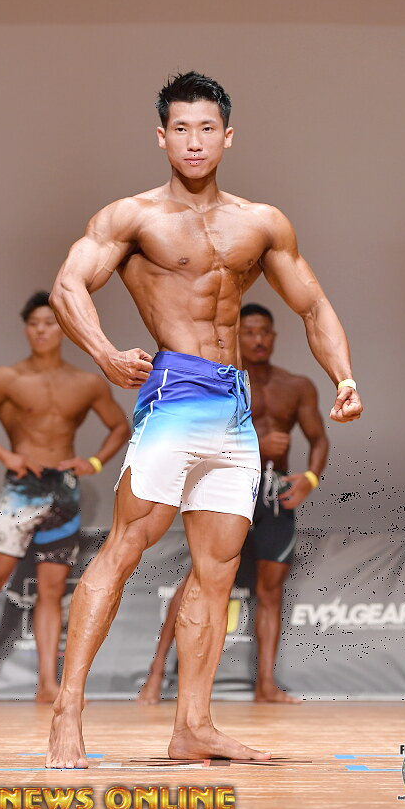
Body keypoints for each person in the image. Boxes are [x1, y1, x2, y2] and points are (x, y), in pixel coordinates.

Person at [46, 71, 362, 767]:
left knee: (216, 572)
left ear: (228, 136)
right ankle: (68, 711)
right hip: (176, 394)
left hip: (233, 408)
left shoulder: (262, 222)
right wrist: (104, 353)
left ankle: (193, 725)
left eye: (207, 128)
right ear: (162, 138)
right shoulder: (132, 218)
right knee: (126, 546)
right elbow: (69, 284)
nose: (194, 141)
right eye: (181, 129)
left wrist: (343, 375)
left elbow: (312, 305)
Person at [0, 291, 130, 705]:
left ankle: (47, 683)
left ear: (63, 329)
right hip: (22, 489)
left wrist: (95, 462)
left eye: (50, 322)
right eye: (34, 323)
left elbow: (120, 425)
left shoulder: (86, 383)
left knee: (52, 589)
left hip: (64, 490)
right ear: (26, 329)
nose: (42, 330)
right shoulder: (6, 378)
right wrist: (5, 454)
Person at [137, 302, 329, 705]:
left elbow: (319, 439)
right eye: (250, 332)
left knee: (270, 591)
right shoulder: (220, 383)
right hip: (228, 486)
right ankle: (154, 677)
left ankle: (265, 685)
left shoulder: (297, 386)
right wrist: (258, 442)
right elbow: (200, 436)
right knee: (199, 579)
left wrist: (310, 477)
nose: (258, 340)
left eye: (264, 332)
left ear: (273, 337)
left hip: (274, 495)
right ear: (237, 336)